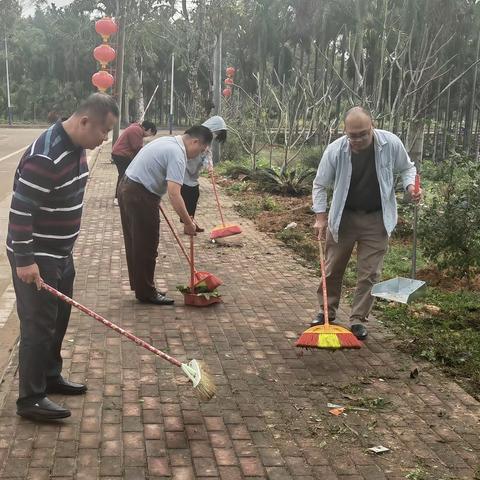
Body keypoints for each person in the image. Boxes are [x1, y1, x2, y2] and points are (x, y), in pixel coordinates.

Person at [7, 93, 119, 421]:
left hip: (60, 253)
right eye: (103, 131)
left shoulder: (75, 146)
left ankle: (51, 375)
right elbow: (20, 211)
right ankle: (31, 397)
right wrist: (26, 260)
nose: (105, 139)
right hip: (38, 257)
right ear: (84, 122)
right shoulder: (46, 156)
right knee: (38, 326)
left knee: (59, 319)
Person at [311, 106, 422, 340]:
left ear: (372, 126)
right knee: (332, 268)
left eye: (363, 133)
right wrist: (320, 218)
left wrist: (410, 187)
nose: (358, 139)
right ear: (345, 131)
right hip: (344, 217)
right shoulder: (336, 150)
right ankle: (326, 311)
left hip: (376, 218)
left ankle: (358, 319)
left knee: (369, 273)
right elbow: (320, 184)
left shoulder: (390, 144)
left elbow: (407, 168)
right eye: (353, 135)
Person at [117, 126, 213, 305]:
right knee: (146, 244)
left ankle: (142, 288)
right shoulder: (177, 154)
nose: (198, 155)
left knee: (137, 242)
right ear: (195, 142)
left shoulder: (168, 141)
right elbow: (175, 193)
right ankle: (146, 293)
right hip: (139, 193)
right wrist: (188, 222)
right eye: (200, 150)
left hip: (130, 187)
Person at [181, 115, 227, 232]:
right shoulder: (197, 135)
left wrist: (209, 166)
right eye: (216, 132)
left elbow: (207, 154)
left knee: (194, 195)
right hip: (184, 169)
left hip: (193, 172)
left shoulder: (207, 139)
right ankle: (188, 223)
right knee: (189, 195)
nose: (216, 135)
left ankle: (190, 222)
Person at [111, 120, 157, 205]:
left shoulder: (136, 128)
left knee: (126, 175)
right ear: (149, 129)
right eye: (150, 134)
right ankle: (118, 197)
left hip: (121, 154)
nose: (148, 136)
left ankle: (124, 195)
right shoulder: (136, 130)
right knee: (124, 175)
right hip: (121, 155)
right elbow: (136, 147)